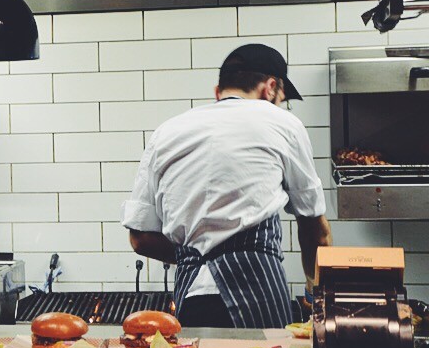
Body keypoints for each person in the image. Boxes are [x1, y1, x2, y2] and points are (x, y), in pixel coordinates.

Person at [120, 44, 332, 328]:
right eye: (282, 99)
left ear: (218, 91)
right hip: (259, 290)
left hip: (192, 296)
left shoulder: (166, 132)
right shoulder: (284, 124)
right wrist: (314, 292)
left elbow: (140, 238)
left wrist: (197, 254)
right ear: (270, 88)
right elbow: (314, 229)